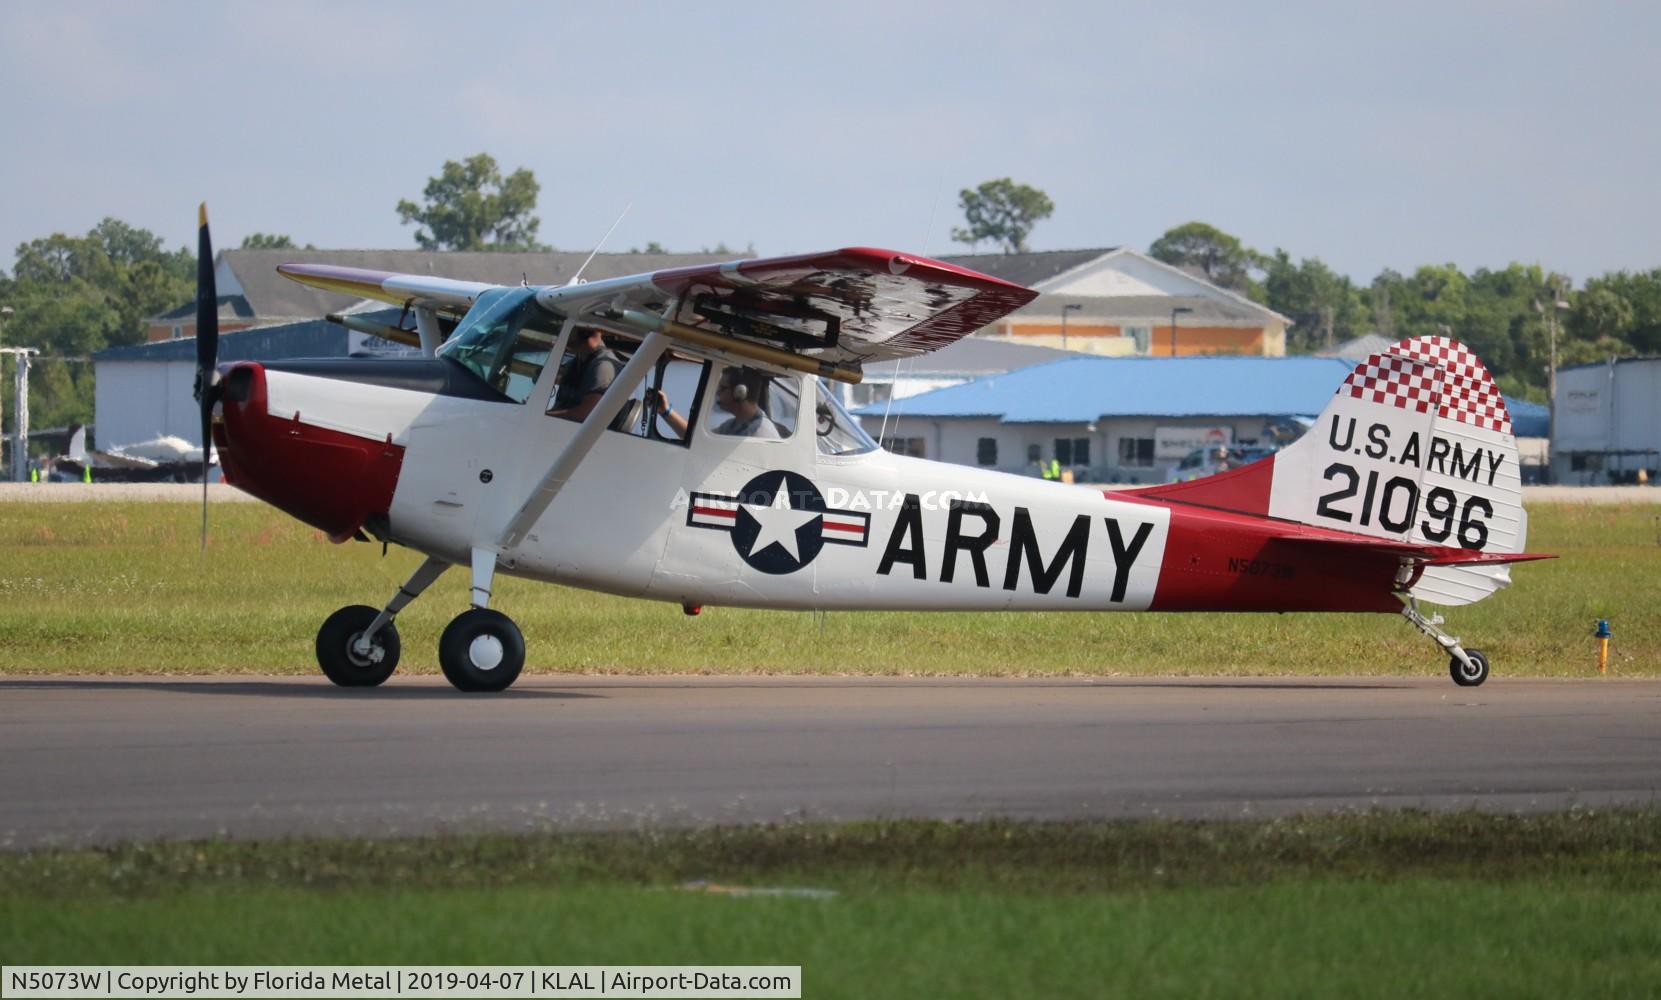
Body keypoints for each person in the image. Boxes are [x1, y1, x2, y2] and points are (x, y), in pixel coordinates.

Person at [547, 327, 623, 422]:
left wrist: (545, 415)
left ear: (585, 332)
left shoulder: (604, 366)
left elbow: (589, 414)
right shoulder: (573, 364)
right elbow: (559, 408)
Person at [710, 368, 782, 439]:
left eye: (723, 388)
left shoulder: (763, 435)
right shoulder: (733, 424)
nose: (717, 392)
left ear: (739, 392)